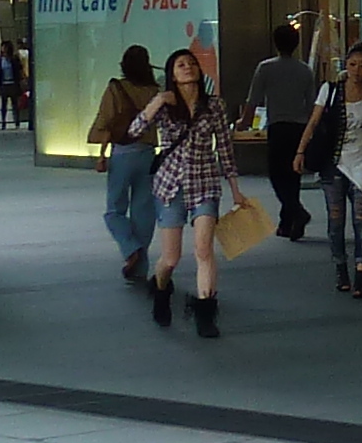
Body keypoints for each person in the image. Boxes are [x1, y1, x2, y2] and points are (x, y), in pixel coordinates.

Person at [136, 44, 244, 337]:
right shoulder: (166, 105)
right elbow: (134, 130)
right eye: (180, 64)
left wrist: (234, 189)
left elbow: (224, 147)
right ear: (172, 74)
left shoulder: (215, 106)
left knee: (204, 249)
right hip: (170, 186)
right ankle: (160, 290)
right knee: (170, 258)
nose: (187, 67)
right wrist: (157, 101)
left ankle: (205, 312)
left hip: (205, 184)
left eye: (191, 63)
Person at [302, 39, 362, 298]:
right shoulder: (329, 90)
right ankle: (340, 267)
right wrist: (301, 151)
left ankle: (361, 269)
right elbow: (313, 122)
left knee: (361, 217)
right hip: (333, 163)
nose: (356, 70)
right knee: (336, 219)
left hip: (361, 160)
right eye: (352, 64)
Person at [242, 20, 320, 241]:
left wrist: (244, 122)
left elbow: (254, 99)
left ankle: (297, 212)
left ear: (275, 43)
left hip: (277, 127)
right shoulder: (305, 70)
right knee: (292, 175)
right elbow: (311, 102)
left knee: (277, 175)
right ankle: (287, 223)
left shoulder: (266, 67)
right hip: (299, 128)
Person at [91, 44, 161, 287]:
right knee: (144, 210)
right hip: (148, 155)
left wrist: (101, 155)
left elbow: (106, 122)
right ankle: (140, 268)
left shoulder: (116, 88)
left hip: (122, 153)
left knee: (114, 210)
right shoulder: (155, 91)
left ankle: (130, 248)